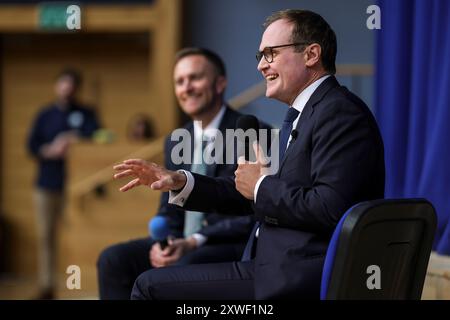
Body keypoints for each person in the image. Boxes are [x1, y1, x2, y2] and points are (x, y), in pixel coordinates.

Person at [114, 10, 385, 300]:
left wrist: (260, 186)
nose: (261, 66)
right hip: (268, 267)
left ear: (311, 54)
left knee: (149, 288)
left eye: (270, 54)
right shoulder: (306, 114)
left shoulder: (339, 112)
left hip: (297, 277)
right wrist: (181, 181)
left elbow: (331, 208)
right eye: (260, 57)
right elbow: (248, 194)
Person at [97, 48, 267, 300]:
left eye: (195, 78)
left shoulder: (251, 132)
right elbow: (168, 209)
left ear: (220, 83)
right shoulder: (176, 141)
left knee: (184, 268)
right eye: (180, 81)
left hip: (225, 244)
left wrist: (194, 241)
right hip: (182, 244)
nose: (186, 87)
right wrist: (164, 243)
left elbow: (250, 210)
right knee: (113, 259)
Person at [27, 69, 100, 299]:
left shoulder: (87, 113)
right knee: (46, 235)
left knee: (75, 234)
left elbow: (100, 138)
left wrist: (75, 140)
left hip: (77, 185)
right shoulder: (45, 114)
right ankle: (47, 284)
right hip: (47, 184)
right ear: (57, 86)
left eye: (71, 85)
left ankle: (74, 283)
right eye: (63, 84)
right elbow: (31, 146)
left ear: (76, 88)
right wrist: (50, 149)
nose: (67, 89)